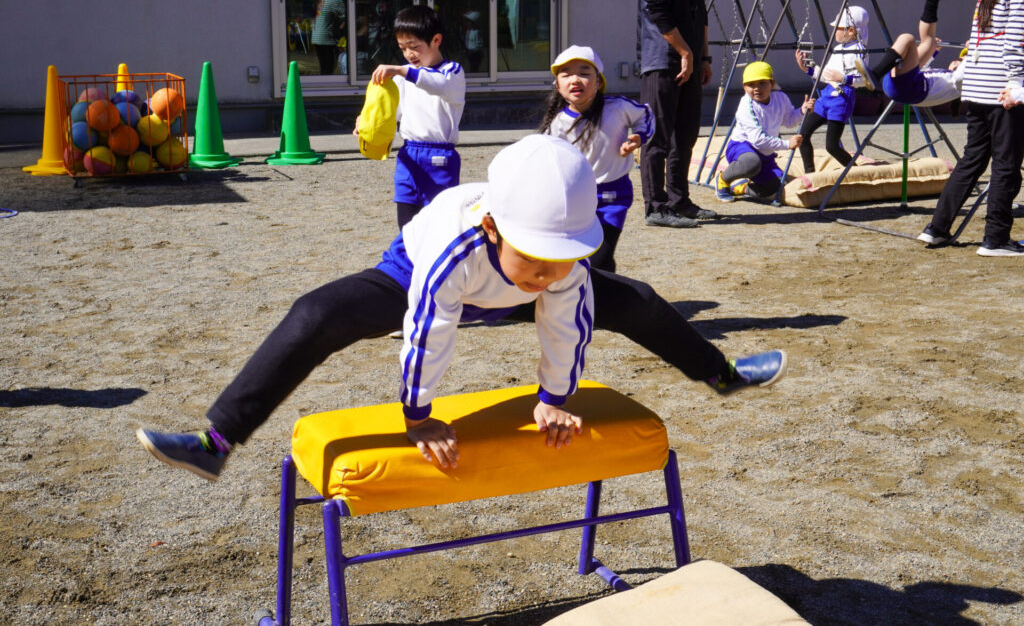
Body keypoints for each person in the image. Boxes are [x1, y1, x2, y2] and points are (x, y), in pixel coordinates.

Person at [136, 135, 788, 481]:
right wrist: (418, 416)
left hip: (500, 287)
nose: (550, 272)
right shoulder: (454, 248)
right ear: (495, 228)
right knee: (315, 315)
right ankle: (215, 441)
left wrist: (553, 398)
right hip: (419, 278)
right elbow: (430, 329)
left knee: (635, 300)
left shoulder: (558, 266)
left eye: (561, 259)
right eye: (538, 257)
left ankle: (720, 372)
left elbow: (566, 324)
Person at [918, 0, 1024, 255]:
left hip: (978, 80)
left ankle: (937, 227)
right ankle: (996, 238)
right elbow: (1016, 37)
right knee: (1006, 164)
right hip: (1001, 83)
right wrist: (1017, 82)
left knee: (973, 158)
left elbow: (979, 31)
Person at [539, 46, 655, 272]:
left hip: (612, 196)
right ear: (557, 85)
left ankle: (604, 283)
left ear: (599, 81)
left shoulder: (618, 107)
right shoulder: (557, 124)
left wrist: (639, 137)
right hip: (574, 197)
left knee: (601, 256)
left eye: (584, 73)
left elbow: (645, 115)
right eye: (566, 74)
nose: (575, 79)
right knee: (578, 257)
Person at [356, 5, 466, 229]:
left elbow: (437, 84)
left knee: (439, 227)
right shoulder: (403, 76)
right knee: (406, 227)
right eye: (402, 48)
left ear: (436, 40)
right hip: (408, 155)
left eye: (414, 47)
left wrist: (401, 70)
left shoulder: (452, 71)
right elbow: (389, 113)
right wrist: (366, 122)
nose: (408, 54)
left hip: (440, 158)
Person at [637, 0, 719, 229]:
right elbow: (657, 8)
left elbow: (701, 10)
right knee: (657, 135)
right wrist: (684, 52)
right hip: (661, 59)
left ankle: (679, 201)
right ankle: (655, 206)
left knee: (686, 135)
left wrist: (703, 56)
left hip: (691, 58)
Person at [848, 0, 964, 110]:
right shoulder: (945, 75)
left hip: (909, 89)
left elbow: (963, 73)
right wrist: (933, 53)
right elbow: (920, 66)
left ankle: (876, 74)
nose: (956, 62)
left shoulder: (958, 84)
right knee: (924, 41)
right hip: (903, 83)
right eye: (958, 59)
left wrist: (973, 49)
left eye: (960, 62)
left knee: (911, 40)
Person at [715, 62, 815, 203]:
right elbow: (757, 139)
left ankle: (742, 188)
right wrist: (787, 144)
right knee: (752, 163)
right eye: (751, 85)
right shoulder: (746, 105)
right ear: (744, 87)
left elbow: (789, 121)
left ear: (772, 83)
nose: (757, 88)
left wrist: (801, 111)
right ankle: (723, 179)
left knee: (778, 186)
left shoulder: (780, 98)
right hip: (742, 146)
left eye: (762, 83)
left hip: (765, 153)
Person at [794, 5, 869, 175]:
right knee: (802, 134)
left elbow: (865, 81)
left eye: (838, 28)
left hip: (841, 99)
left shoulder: (860, 51)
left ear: (851, 31)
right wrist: (808, 69)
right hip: (826, 95)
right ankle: (810, 173)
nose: (834, 31)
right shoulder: (838, 49)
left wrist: (844, 78)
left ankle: (854, 172)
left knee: (832, 146)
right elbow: (827, 75)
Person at [312, 0, 346, 76]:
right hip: (327, 39)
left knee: (324, 67)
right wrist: (341, 28)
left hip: (317, 37)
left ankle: (323, 81)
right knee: (329, 67)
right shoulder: (335, 1)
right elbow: (349, 16)